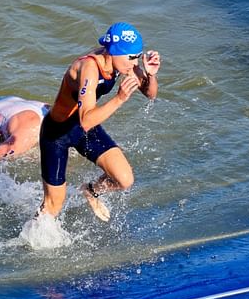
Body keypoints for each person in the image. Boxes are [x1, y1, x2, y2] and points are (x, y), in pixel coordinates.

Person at [38, 22, 161, 222]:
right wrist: (119, 99)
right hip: (57, 134)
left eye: (137, 57)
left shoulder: (122, 62)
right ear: (113, 52)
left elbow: (150, 94)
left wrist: (151, 75)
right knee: (52, 208)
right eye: (132, 58)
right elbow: (86, 120)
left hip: (84, 128)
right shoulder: (89, 68)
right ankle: (29, 239)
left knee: (124, 180)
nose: (134, 63)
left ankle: (91, 190)